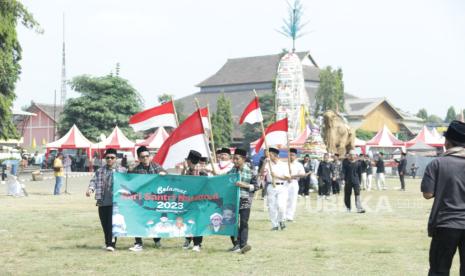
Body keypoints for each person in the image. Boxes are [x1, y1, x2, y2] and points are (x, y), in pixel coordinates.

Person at [421, 120, 465, 275]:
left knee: (439, 270)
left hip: (445, 224)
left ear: (447, 142)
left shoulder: (437, 164)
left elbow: (428, 194)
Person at [86, 148, 127, 252]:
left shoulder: (122, 170)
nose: (109, 159)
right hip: (102, 201)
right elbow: (93, 181)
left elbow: (130, 181)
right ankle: (107, 242)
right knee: (104, 224)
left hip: (116, 202)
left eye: (112, 157)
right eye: (107, 157)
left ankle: (111, 244)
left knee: (111, 224)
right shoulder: (100, 170)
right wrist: (90, 189)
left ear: (116, 158)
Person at [128, 146, 167, 252]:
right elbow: (129, 183)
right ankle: (138, 243)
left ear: (150, 156)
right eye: (142, 157)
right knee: (138, 220)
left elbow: (168, 178)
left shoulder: (157, 167)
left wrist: (164, 174)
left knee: (155, 220)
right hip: (141, 201)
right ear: (139, 158)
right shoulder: (135, 170)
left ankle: (157, 240)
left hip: (155, 200)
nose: (145, 158)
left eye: (147, 156)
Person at [227, 148, 257, 254]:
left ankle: (243, 245)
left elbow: (257, 186)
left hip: (245, 199)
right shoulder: (232, 171)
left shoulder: (251, 170)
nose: (234, 161)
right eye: (233, 159)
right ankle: (236, 244)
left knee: (244, 222)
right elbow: (224, 180)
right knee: (231, 222)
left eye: (237, 159)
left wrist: (244, 185)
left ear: (243, 159)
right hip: (232, 199)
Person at [182, 150, 207, 252]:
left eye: (188, 160)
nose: (187, 162)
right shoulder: (188, 171)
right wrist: (183, 170)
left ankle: (197, 243)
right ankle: (188, 240)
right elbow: (182, 183)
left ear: (190, 161)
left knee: (198, 222)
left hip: (199, 202)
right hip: (189, 201)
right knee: (188, 221)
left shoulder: (202, 173)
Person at [260, 147, 290, 231]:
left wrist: (276, 176)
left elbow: (288, 177)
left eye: (270, 155)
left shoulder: (283, 164)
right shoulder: (267, 164)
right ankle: (274, 225)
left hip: (282, 187)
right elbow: (261, 173)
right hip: (271, 186)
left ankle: (281, 220)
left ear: (275, 155)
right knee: (272, 207)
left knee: (281, 205)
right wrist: (264, 163)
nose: (268, 156)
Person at [286, 148, 306, 221]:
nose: (291, 156)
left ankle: (290, 216)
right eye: (290, 155)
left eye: (293, 155)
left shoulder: (299, 165)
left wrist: (295, 176)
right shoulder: (285, 164)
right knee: (285, 199)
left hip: (294, 183)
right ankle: (283, 215)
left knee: (293, 200)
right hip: (285, 183)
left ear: (295, 156)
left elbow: (303, 174)